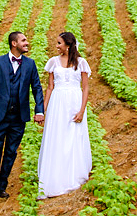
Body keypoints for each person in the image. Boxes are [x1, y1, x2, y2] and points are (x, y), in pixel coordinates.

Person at [0, 30, 45, 203]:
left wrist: (39, 111)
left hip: (19, 118)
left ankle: (2, 186)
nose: (27, 42)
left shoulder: (30, 64)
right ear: (14, 43)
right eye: (23, 40)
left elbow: (37, 88)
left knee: (11, 152)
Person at [36, 31, 92, 198]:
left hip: (75, 102)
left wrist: (82, 110)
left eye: (59, 43)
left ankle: (74, 174)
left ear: (68, 45)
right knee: (57, 136)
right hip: (58, 103)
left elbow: (86, 87)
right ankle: (56, 176)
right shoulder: (53, 62)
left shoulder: (81, 63)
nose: (56, 46)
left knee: (74, 136)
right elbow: (50, 87)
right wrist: (43, 110)